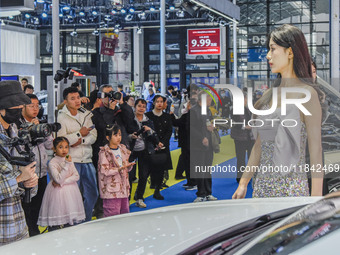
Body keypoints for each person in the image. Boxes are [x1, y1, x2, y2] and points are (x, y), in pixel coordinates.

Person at [232, 24, 324, 199]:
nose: (268, 55)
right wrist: (244, 183)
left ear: (290, 52)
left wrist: (316, 198)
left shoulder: (308, 95)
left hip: (292, 190)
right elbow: (259, 146)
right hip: (261, 188)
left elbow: (316, 150)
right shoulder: (268, 96)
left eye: (273, 49)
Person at [0, 80, 38, 245]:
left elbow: (23, 175)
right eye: (15, 107)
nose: (19, 110)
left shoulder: (14, 133)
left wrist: (29, 182)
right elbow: (17, 177)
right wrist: (18, 179)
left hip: (17, 226)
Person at [57, 87, 98, 222]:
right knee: (73, 195)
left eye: (78, 97)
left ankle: (85, 219)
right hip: (71, 161)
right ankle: (73, 221)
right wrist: (79, 134)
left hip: (86, 159)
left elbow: (93, 135)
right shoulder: (61, 117)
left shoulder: (85, 114)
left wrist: (81, 140)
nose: (77, 101)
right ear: (66, 101)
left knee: (93, 193)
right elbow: (61, 140)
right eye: (72, 98)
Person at [16, 94, 53, 236]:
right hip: (27, 175)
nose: (35, 108)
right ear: (22, 107)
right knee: (27, 208)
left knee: (38, 207)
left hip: (42, 173)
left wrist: (44, 131)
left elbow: (50, 146)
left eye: (37, 105)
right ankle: (30, 234)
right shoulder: (17, 126)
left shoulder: (40, 123)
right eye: (31, 105)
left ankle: (35, 232)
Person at [38, 137, 85, 231]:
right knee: (57, 217)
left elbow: (76, 176)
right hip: (57, 193)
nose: (64, 150)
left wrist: (63, 182)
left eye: (66, 147)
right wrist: (67, 165)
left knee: (69, 219)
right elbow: (58, 179)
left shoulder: (68, 159)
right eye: (60, 147)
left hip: (70, 191)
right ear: (54, 149)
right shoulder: (52, 162)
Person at [98, 125, 135, 217]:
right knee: (112, 215)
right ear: (108, 137)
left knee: (125, 214)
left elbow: (126, 165)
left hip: (124, 189)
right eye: (115, 135)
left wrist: (129, 166)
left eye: (120, 135)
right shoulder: (104, 152)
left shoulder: (123, 149)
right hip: (111, 190)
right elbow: (105, 170)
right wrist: (119, 169)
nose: (118, 138)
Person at [129, 99, 159, 208]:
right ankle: (126, 200)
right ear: (135, 107)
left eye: (144, 106)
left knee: (143, 175)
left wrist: (149, 130)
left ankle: (139, 197)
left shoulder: (148, 120)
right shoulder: (130, 119)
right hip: (130, 151)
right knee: (129, 177)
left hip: (145, 151)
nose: (141, 108)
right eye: (139, 106)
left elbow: (153, 135)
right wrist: (130, 137)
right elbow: (124, 133)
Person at [190, 91, 217, 202]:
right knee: (200, 169)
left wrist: (211, 127)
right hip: (197, 145)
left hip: (208, 144)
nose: (211, 100)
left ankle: (208, 193)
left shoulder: (208, 111)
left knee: (207, 169)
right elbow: (191, 128)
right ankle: (200, 194)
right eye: (209, 98)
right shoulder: (193, 111)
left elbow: (207, 124)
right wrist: (202, 138)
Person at [146, 95, 173, 200]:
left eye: (161, 101)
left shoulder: (167, 116)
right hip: (151, 146)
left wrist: (162, 143)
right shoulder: (148, 116)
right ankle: (142, 192)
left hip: (163, 147)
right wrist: (156, 143)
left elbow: (169, 131)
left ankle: (157, 190)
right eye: (157, 101)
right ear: (153, 103)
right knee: (148, 169)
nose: (159, 104)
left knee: (161, 169)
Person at [230, 92, 255, 183]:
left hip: (250, 137)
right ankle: (240, 177)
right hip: (239, 137)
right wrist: (245, 126)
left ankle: (249, 176)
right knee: (240, 158)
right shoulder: (235, 109)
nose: (246, 101)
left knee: (251, 158)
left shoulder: (247, 109)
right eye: (245, 99)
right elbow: (235, 123)